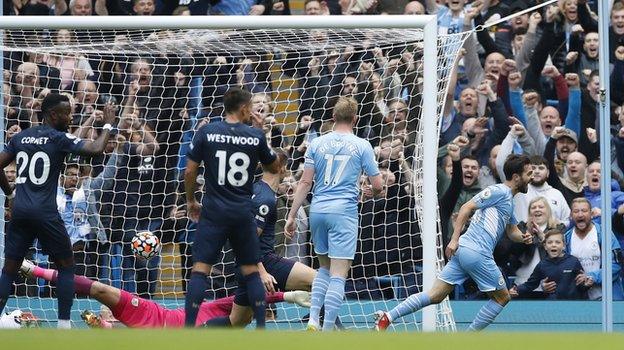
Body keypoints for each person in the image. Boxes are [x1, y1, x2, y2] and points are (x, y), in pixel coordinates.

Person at [375, 154, 533, 332]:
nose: (532, 177)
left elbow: (512, 231)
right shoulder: (498, 191)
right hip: (476, 252)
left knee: (435, 295)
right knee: (502, 298)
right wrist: (454, 238)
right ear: (517, 177)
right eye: (529, 173)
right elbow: (466, 207)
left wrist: (525, 237)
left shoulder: (508, 201)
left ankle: (387, 317)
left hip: (465, 251)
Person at [0, 93, 116, 329]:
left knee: (9, 269)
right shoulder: (58, 138)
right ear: (53, 115)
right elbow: (96, 149)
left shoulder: (21, 137)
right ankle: (64, 325)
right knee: (66, 266)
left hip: (21, 211)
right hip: (45, 212)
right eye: (67, 112)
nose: (70, 117)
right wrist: (107, 123)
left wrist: (11, 195)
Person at [183, 88, 280, 328]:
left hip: (214, 211)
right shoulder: (254, 136)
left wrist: (190, 200)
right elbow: (275, 168)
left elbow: (189, 170)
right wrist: (260, 132)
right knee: (250, 270)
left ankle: (187, 328)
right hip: (241, 212)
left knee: (200, 271)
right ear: (244, 108)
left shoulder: (207, 131)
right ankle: (260, 328)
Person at [285, 96, 383, 331]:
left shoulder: (317, 143)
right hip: (343, 213)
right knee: (339, 274)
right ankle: (327, 329)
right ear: (355, 119)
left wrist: (291, 215)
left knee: (324, 270)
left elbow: (305, 182)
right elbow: (378, 185)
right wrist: (369, 190)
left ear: (333, 117)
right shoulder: (362, 145)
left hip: (318, 210)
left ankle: (312, 321)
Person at [18, 260, 310, 329]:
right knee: (99, 289)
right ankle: (35, 270)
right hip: (151, 314)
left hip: (147, 331)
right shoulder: (222, 308)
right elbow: (247, 293)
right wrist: (288, 296)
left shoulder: (228, 328)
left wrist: (104, 325)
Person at [510, 229, 588, 300]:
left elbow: (582, 284)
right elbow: (530, 284)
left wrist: (586, 283)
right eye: (550, 242)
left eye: (557, 242)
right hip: (551, 306)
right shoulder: (542, 265)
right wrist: (516, 290)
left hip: (572, 305)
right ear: (545, 246)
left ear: (564, 246)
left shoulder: (573, 261)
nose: (553, 245)